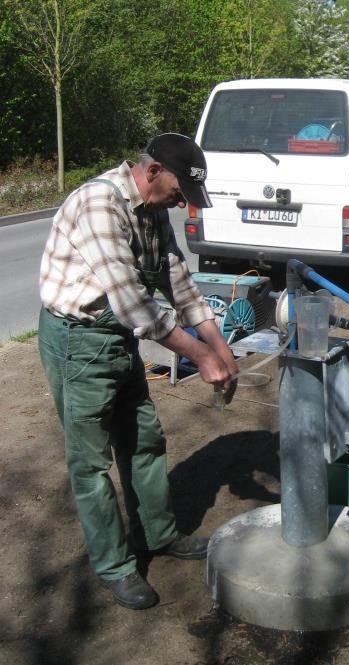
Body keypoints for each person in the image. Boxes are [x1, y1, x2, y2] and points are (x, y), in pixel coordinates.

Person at [38, 133, 239, 610]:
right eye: (178, 190)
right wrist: (201, 358)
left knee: (144, 438)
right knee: (90, 462)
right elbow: (133, 305)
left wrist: (220, 346)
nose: (179, 202)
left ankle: (158, 534)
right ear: (152, 172)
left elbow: (179, 283)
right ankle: (115, 566)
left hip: (118, 338)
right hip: (78, 339)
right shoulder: (98, 204)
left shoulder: (154, 213)